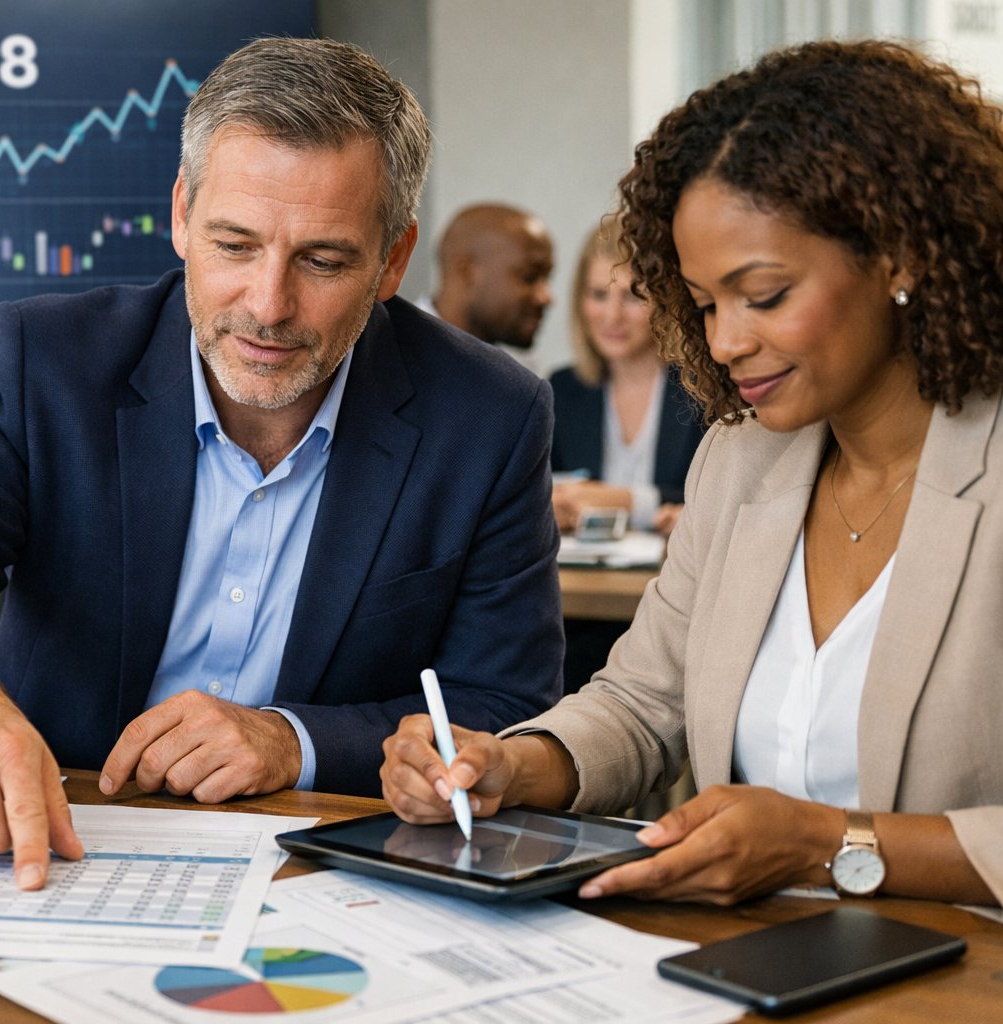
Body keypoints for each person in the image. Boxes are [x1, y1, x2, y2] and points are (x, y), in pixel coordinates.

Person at [0, 37, 563, 891]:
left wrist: (292, 741)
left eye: (322, 260)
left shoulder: (490, 415)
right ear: (181, 215)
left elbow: (504, 704)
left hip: (314, 871)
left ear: (392, 260)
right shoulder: (44, 360)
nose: (267, 307)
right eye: (234, 245)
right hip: (38, 840)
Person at [381, 39, 1003, 907]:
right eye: (705, 303)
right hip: (746, 953)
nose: (724, 342)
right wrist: (510, 764)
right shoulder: (743, 458)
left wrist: (827, 847)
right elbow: (642, 703)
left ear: (899, 253)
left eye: (765, 295)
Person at [549, 223, 706, 537]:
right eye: (598, 295)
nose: (612, 316)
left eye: (633, 296)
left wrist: (626, 501)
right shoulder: (562, 389)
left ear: (665, 300)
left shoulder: (703, 388)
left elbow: (717, 499)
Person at [420, 203, 554, 375]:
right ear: (466, 271)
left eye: (546, 278)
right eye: (529, 277)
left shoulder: (524, 371)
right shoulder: (395, 355)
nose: (545, 297)